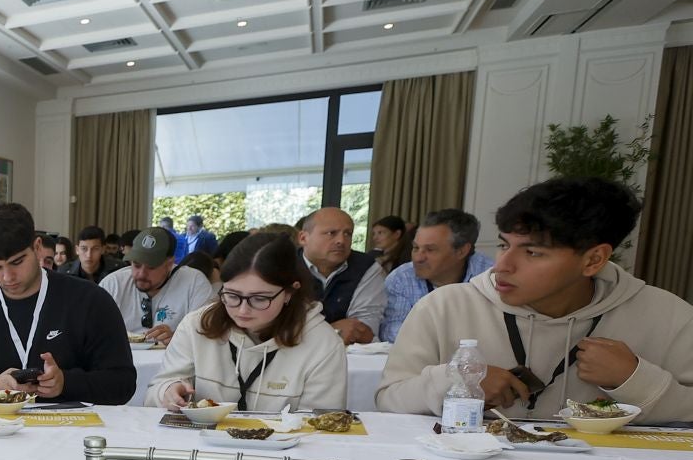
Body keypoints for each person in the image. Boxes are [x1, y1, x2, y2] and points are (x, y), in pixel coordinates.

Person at [378, 178, 693, 420]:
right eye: (504, 245)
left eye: (532, 252)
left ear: (593, 260)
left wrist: (634, 380)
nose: (503, 265)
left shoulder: (666, 316)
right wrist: (456, 383)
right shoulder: (444, 307)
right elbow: (389, 399)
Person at [0, 203, 136, 403]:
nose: (7, 277)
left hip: (73, 431)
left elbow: (123, 383)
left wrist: (65, 382)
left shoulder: (91, 301)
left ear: (37, 248)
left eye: (17, 262)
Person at [151, 234, 346, 412]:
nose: (242, 310)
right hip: (204, 446)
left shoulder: (322, 343)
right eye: (232, 295)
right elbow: (154, 394)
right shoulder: (198, 325)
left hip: (285, 450)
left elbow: (320, 425)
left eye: (260, 298)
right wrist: (167, 391)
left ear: (289, 292)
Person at [377, 209, 493, 343]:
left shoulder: (491, 277)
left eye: (430, 250)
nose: (418, 258)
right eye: (415, 248)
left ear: (461, 251)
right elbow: (391, 330)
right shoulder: (401, 278)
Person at [99, 226, 215, 347]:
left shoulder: (194, 282)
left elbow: (208, 333)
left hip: (175, 363)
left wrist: (178, 338)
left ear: (169, 264)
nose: (141, 274)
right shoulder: (113, 284)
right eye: (136, 265)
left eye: (151, 267)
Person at [297, 207, 387, 345]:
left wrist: (305, 333)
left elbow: (362, 330)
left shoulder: (366, 267)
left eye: (348, 234)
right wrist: (333, 330)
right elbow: (274, 328)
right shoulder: (282, 266)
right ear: (303, 238)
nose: (341, 240)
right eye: (331, 233)